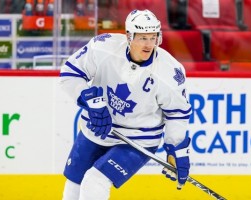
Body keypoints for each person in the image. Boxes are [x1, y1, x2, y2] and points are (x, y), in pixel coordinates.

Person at [59, 9, 192, 200]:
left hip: (138, 140)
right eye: (143, 38)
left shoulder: (170, 72)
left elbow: (177, 113)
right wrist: (88, 99)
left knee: (94, 181)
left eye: (153, 37)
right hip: (97, 128)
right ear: (129, 37)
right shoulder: (102, 47)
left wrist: (175, 146)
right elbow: (70, 74)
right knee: (73, 184)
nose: (149, 45)